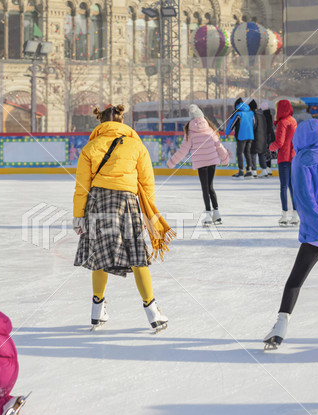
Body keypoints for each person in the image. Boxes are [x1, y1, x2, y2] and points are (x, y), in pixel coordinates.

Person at [73, 105, 174, 332]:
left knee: (98, 254)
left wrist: (78, 215)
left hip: (97, 201)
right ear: (122, 121)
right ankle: (152, 311)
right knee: (137, 254)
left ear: (100, 122)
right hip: (127, 203)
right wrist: (149, 215)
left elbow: (82, 186)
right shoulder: (137, 145)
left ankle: (96, 311)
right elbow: (147, 184)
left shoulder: (90, 147)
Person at [263, 119, 318, 349]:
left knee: (295, 281)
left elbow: (304, 200)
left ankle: (279, 329)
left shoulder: (301, 160)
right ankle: (278, 330)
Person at [166, 104, 231, 225]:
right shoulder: (210, 129)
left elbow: (183, 151)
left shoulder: (190, 132)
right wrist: (225, 159)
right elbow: (219, 146)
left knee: (205, 188)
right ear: (203, 117)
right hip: (212, 161)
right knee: (210, 187)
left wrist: (171, 162)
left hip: (201, 163)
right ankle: (216, 214)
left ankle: (208, 214)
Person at [270, 100, 298, 226]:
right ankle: (295, 215)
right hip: (293, 157)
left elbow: (279, 143)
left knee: (283, 186)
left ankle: (284, 215)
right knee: (292, 187)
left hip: (284, 158)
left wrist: (270, 147)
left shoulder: (282, 122)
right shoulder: (293, 120)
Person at [225, 98, 255, 179]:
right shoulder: (251, 113)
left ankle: (241, 172)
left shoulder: (238, 113)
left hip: (241, 136)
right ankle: (249, 171)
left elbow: (231, 124)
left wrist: (227, 133)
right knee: (247, 152)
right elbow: (254, 124)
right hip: (250, 136)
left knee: (240, 153)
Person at [249, 99, 270, 178]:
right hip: (262, 137)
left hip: (255, 137)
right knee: (261, 154)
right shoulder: (261, 115)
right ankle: (264, 170)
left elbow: (252, 126)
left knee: (252, 153)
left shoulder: (252, 115)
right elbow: (265, 125)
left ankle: (254, 171)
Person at [260, 101, 275, 176]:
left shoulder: (264, 116)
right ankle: (268, 168)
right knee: (268, 153)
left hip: (266, 136)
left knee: (266, 153)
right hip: (270, 136)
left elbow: (266, 128)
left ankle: (267, 168)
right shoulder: (269, 115)